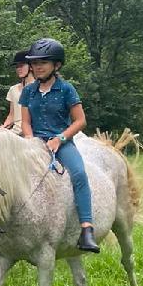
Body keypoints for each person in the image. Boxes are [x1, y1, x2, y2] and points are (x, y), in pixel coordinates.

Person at [20, 37, 99, 253]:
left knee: (80, 174)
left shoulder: (66, 89)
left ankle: (86, 229)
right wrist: (30, 141)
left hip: (61, 143)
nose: (37, 67)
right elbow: (25, 122)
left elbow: (80, 121)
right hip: (34, 143)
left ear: (56, 65)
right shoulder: (28, 92)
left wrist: (59, 139)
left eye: (42, 63)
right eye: (35, 63)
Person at [2, 49, 31, 133]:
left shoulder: (39, 88)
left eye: (21, 65)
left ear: (31, 66)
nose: (18, 69)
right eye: (17, 66)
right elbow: (11, 116)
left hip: (33, 132)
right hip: (15, 131)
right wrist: (2, 128)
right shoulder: (13, 89)